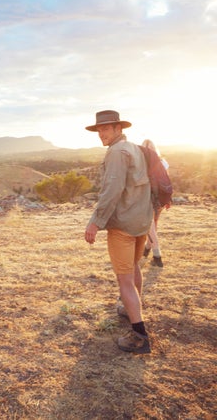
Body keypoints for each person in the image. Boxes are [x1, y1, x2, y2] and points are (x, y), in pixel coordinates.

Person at [84, 110, 154, 354]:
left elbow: (111, 191)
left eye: (106, 128)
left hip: (123, 225)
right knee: (134, 267)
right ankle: (130, 308)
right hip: (140, 222)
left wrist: (95, 222)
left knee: (124, 278)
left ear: (117, 129)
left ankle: (139, 335)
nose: (101, 134)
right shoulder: (135, 148)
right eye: (99, 129)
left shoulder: (115, 153)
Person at [141, 139, 169, 268]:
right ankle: (147, 249)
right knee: (152, 226)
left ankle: (157, 255)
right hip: (155, 199)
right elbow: (167, 180)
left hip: (151, 198)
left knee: (151, 226)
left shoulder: (143, 162)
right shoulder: (162, 162)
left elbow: (166, 180)